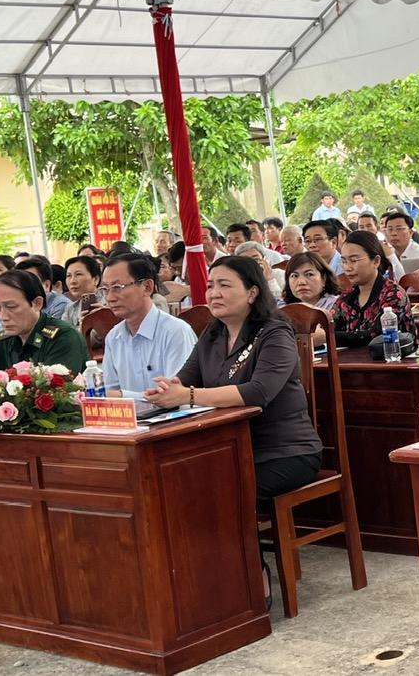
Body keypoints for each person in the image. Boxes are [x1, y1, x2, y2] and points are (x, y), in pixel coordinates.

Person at [143, 255, 327, 603]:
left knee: (226, 492)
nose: (214, 292)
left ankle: (252, 578)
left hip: (287, 452)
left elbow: (259, 392)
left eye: (225, 285)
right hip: (231, 450)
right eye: (211, 285)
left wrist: (190, 396)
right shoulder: (211, 334)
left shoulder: (275, 332)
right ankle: (207, 578)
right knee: (181, 487)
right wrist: (168, 391)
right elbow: (186, 377)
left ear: (253, 293)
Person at [99, 253, 197, 400]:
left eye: (118, 287)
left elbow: (177, 396)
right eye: (105, 289)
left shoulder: (176, 332)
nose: (110, 297)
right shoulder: (114, 337)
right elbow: (110, 393)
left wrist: (122, 396)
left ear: (147, 287)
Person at [0, 270, 90, 374]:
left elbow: (55, 387)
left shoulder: (63, 336)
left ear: (37, 303)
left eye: (11, 307)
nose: (3, 316)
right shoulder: (3, 341)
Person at [331, 230, 417, 347]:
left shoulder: (393, 293)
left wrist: (328, 336)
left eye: (354, 260)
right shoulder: (346, 296)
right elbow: (330, 325)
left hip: (393, 360)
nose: (347, 267)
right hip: (353, 362)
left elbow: (377, 334)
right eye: (344, 261)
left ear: (376, 261)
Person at [62, 256, 103, 329]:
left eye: (78, 274)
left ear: (96, 279)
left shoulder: (109, 304)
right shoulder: (70, 309)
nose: (72, 281)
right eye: (68, 276)